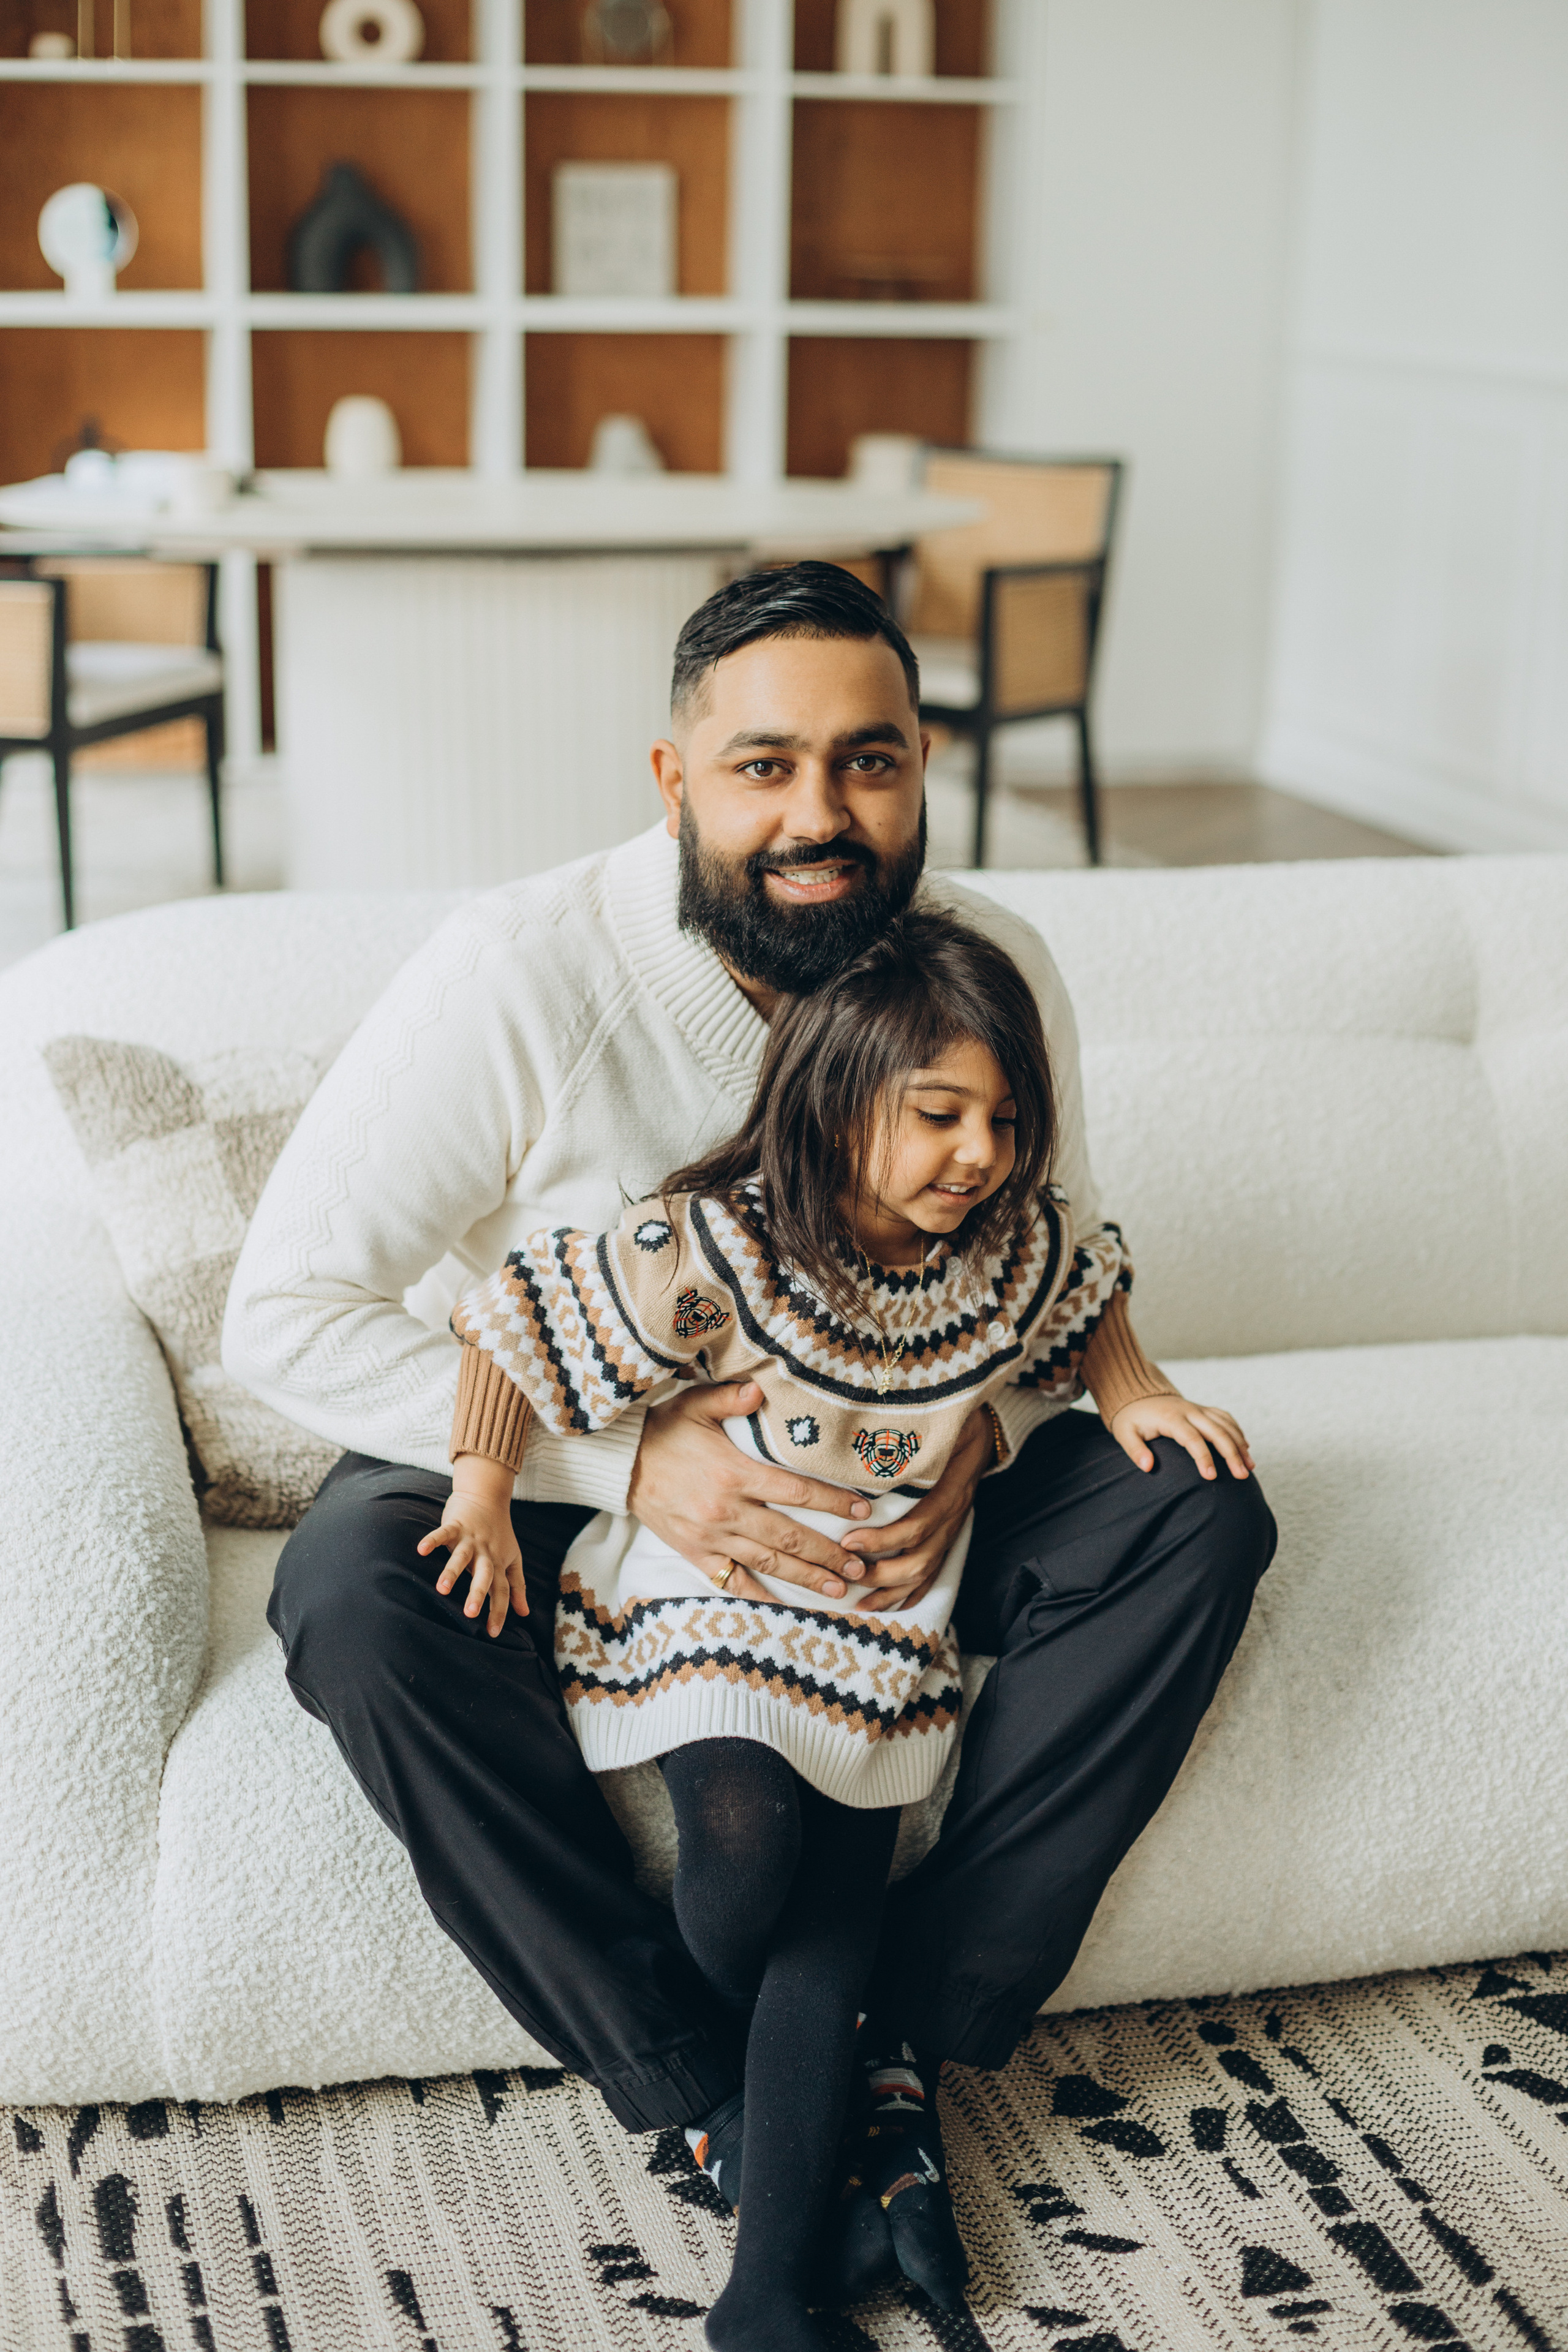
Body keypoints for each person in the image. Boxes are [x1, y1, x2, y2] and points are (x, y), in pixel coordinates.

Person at [230, 561, 1273, 2310]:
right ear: (674, 781)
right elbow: (287, 1310)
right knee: (351, 1599)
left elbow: (1035, 1265)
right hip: (578, 1470)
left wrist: (1001, 1434)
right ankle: (709, 2087)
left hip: (904, 1500)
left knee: (1202, 1513)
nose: (820, 816)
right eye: (764, 767)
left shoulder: (995, 967)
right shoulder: (525, 972)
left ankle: (896, 2044)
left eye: (868, 764)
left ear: (925, 762)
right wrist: (629, 1466)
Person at [418, 904, 1130, 2343]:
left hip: (881, 1639)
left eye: (1004, 1119)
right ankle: (806, 2089)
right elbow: (512, 1319)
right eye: (939, 1114)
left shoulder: (1002, 1256)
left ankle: (761, 2303)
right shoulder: (716, 1247)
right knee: (748, 1854)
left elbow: (1089, 1290)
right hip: (707, 1607)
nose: (979, 1153)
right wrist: (484, 1485)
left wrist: (1138, 1396)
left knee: (830, 1926)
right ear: (833, 1097)